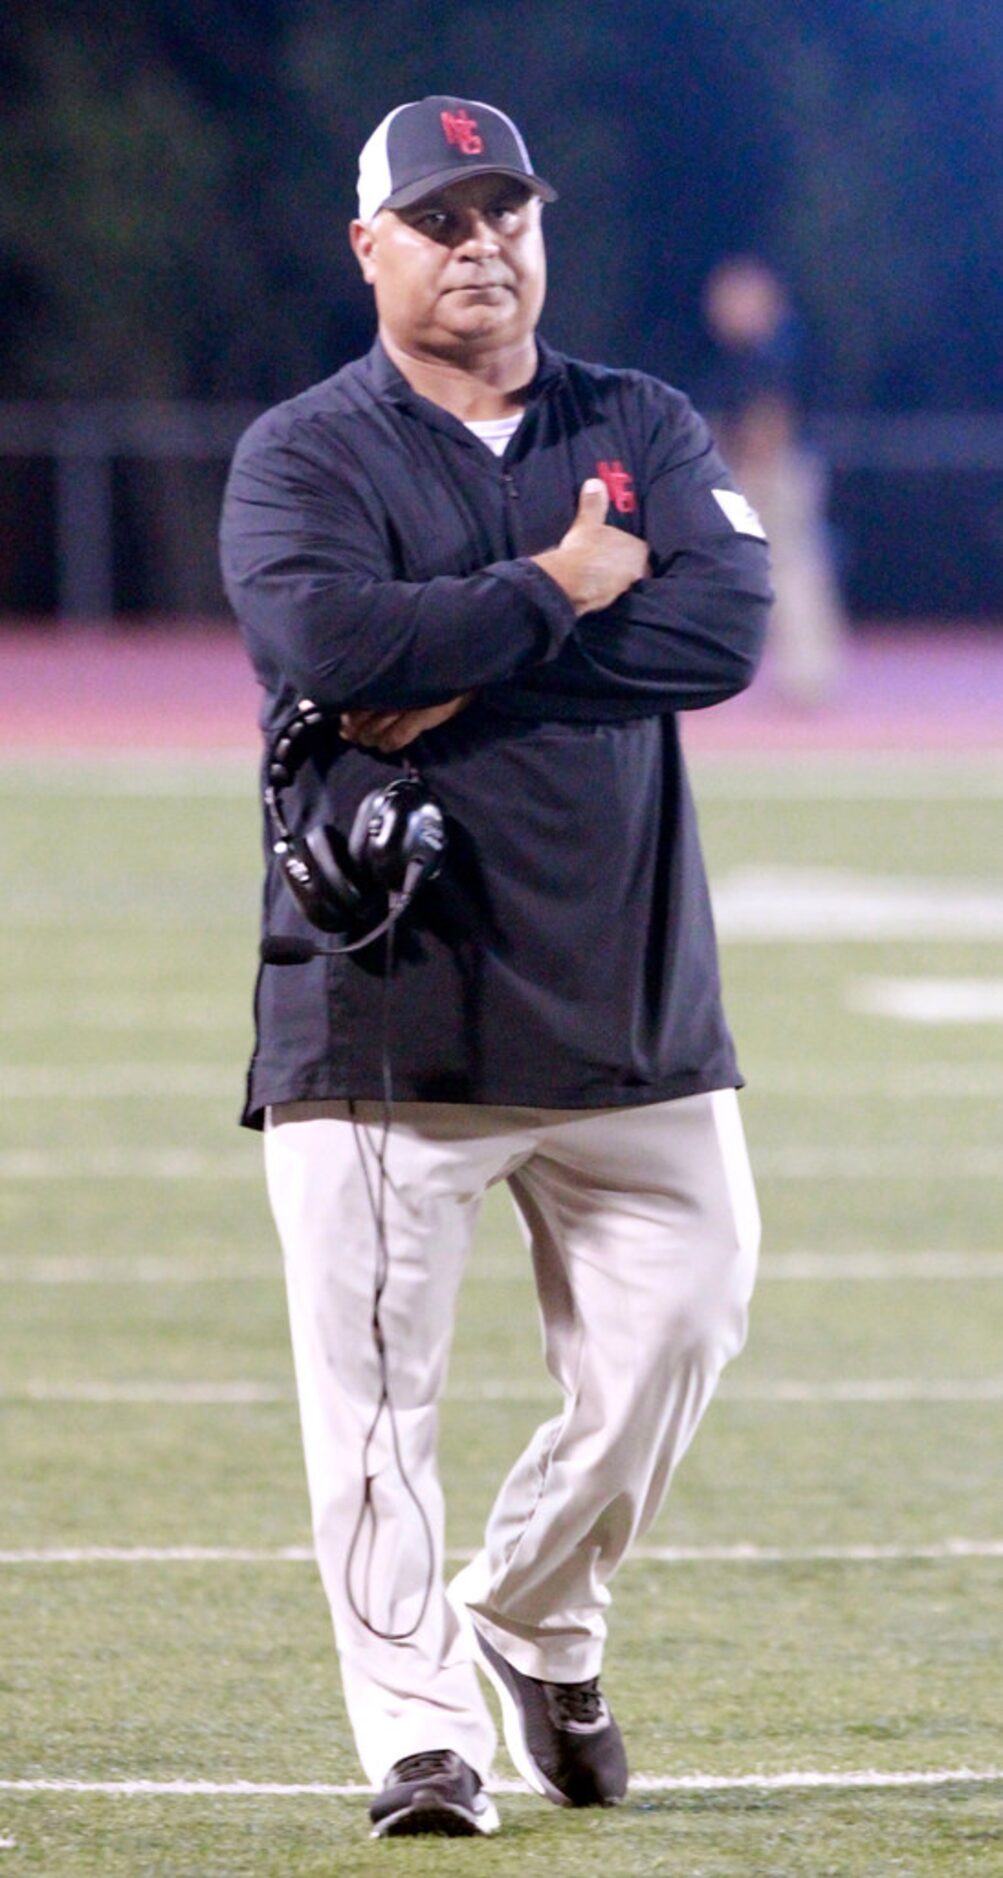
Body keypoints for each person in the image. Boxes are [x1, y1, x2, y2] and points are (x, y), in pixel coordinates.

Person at [220, 94, 770, 1841]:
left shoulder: (640, 417)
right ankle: (417, 1735)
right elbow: (322, 642)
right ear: (369, 245)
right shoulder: (302, 454)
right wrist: (557, 581)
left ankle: (529, 1608)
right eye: (441, 220)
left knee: (684, 1326)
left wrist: (447, 648)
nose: (482, 248)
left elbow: (718, 631)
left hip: (626, 1000)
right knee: (374, 1413)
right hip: (382, 997)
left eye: (505, 213)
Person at [700, 255, 846, 708]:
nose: (721, 310)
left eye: (732, 298)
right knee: (787, 569)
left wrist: (742, 474)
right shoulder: (763, 347)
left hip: (774, 472)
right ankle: (802, 677)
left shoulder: (773, 349)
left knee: (788, 569)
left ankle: (807, 679)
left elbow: (770, 421)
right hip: (778, 468)